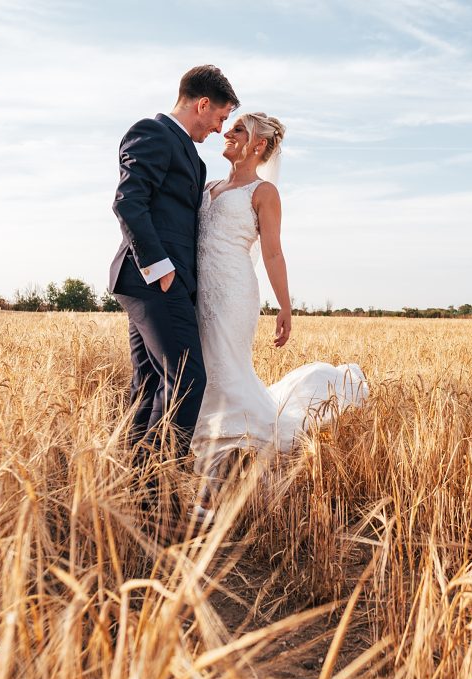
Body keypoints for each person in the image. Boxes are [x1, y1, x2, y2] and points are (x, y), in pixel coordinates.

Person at [191, 112, 368, 514]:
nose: (228, 133)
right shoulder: (208, 187)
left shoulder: (264, 192)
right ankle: (217, 462)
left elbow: (272, 251)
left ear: (257, 146)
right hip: (200, 292)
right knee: (204, 372)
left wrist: (285, 306)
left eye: (238, 129)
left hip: (234, 293)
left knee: (224, 372)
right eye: (231, 126)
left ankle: (213, 483)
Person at [109, 65, 239, 467]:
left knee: (150, 385)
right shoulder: (152, 132)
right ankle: (157, 488)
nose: (220, 129)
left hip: (165, 283)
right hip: (152, 280)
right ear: (202, 104)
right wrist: (160, 269)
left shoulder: (194, 160)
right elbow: (128, 201)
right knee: (186, 380)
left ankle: (132, 487)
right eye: (220, 118)